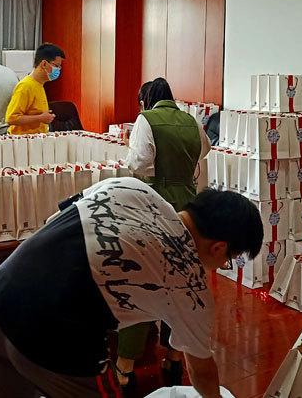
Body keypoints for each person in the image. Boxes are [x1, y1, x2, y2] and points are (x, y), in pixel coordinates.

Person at [0, 177, 263, 398]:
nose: (221, 265)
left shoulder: (131, 187)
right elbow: (201, 371)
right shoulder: (191, 287)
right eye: (228, 260)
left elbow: (53, 220)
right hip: (54, 335)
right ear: (219, 247)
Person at [118, 78, 212, 390]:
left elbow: (139, 163)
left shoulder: (146, 119)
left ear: (145, 99)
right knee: (180, 285)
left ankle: (125, 366)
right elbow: (204, 150)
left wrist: (130, 154)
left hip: (154, 207)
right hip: (188, 212)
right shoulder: (191, 121)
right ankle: (173, 358)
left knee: (143, 284)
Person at [5, 43, 65, 135]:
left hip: (36, 139)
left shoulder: (39, 85)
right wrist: (40, 118)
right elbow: (11, 118)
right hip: (23, 141)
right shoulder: (25, 86)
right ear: (44, 64)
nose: (59, 70)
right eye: (56, 66)